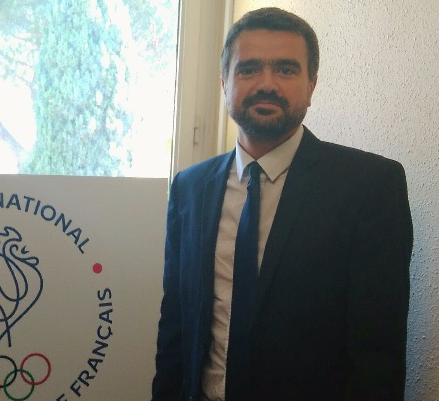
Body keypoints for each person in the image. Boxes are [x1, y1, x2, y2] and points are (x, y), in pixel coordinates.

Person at [152, 7, 412, 401]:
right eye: (249, 69)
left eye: (286, 70)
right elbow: (175, 325)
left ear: (311, 85)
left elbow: (377, 353)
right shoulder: (189, 189)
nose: (267, 84)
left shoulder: (370, 187)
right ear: (224, 83)